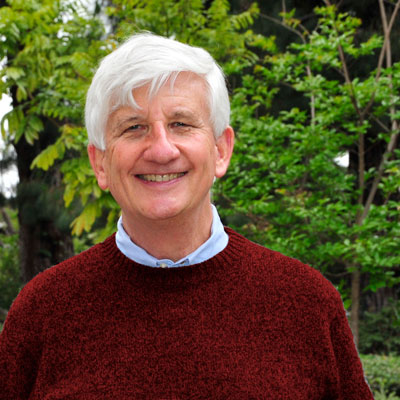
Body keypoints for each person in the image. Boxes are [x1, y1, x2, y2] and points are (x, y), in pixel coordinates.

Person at [0, 33, 373, 399]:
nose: (161, 149)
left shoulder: (306, 304)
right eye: (134, 128)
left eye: (181, 124)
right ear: (100, 163)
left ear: (221, 150)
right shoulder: (42, 312)